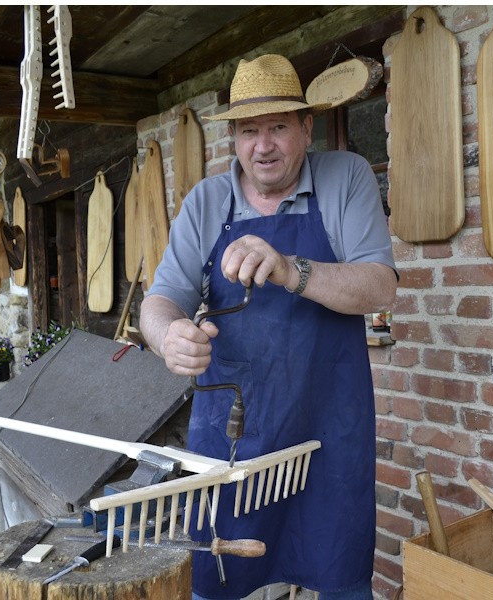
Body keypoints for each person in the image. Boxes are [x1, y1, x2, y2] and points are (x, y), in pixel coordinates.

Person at [140, 54, 398, 600]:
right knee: (218, 576)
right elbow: (159, 301)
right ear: (232, 136)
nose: (264, 145)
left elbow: (379, 287)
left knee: (341, 577)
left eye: (279, 126)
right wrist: (168, 337)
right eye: (250, 130)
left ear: (306, 128)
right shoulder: (207, 202)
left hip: (327, 425)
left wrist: (288, 268)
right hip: (233, 431)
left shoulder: (344, 177)